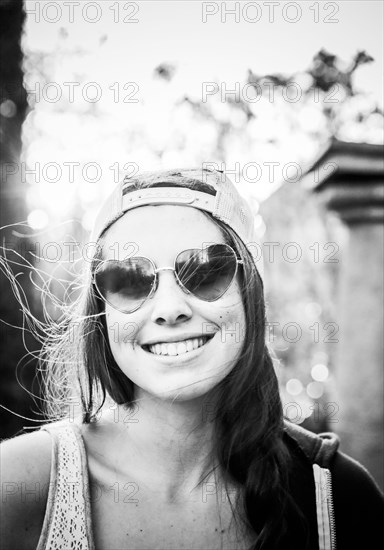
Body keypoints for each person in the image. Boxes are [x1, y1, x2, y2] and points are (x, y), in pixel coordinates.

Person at [1, 167, 383, 550]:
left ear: (249, 295)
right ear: (102, 314)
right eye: (130, 279)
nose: (169, 309)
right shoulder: (18, 485)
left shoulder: (337, 495)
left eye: (205, 271)